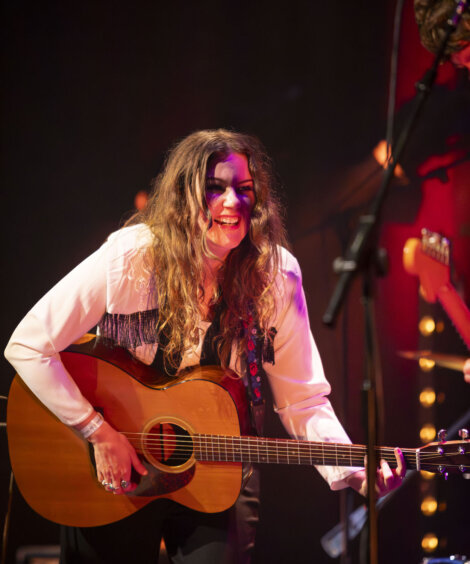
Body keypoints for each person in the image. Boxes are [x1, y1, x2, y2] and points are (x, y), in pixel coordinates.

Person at [4, 129, 405, 564]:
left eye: (244, 189)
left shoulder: (276, 274)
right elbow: (28, 345)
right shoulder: (131, 258)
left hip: (218, 476)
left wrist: (354, 470)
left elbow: (303, 398)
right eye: (215, 189)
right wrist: (97, 432)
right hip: (110, 468)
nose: (233, 202)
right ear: (183, 198)